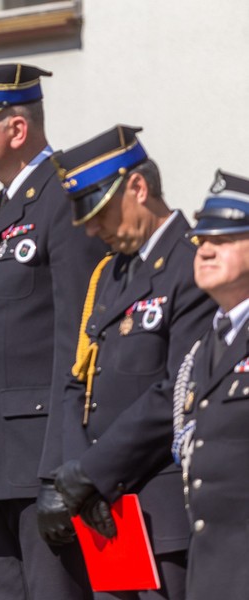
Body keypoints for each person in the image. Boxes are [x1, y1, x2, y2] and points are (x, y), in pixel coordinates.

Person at [0, 62, 106, 599]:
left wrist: (63, 468)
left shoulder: (63, 199)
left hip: (37, 456)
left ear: (16, 129)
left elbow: (78, 343)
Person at [50, 126, 216, 600]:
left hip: (160, 506)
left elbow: (177, 387)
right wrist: (74, 471)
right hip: (106, 508)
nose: (91, 227)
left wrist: (92, 471)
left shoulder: (192, 264)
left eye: (99, 211)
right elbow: (79, 378)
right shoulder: (112, 273)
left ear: (138, 189)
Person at [171, 170, 249, 600]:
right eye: (201, 239)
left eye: (224, 239)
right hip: (212, 567)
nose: (205, 250)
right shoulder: (208, 344)